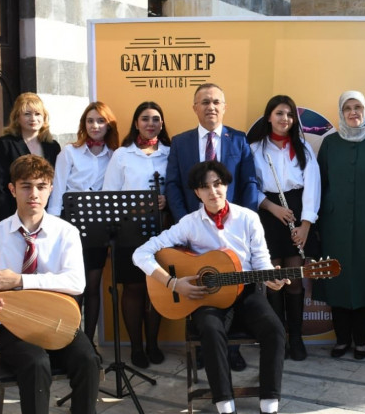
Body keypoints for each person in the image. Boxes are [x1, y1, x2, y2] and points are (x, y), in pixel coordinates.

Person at [133, 160, 287, 414]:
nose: (213, 191)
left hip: (247, 291)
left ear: (226, 185)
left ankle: (269, 404)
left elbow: (261, 262)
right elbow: (141, 253)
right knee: (210, 330)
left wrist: (274, 280)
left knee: (275, 330)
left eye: (218, 184)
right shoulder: (190, 223)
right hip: (206, 297)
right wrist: (172, 283)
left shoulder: (248, 218)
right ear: (197, 192)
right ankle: (225, 404)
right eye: (205, 187)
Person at [0, 154, 100, 414]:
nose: (34, 193)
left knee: (88, 359)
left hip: (59, 321)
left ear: (51, 189)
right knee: (36, 362)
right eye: (26, 186)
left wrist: (21, 280)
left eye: (41, 187)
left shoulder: (66, 232)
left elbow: (76, 282)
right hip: (12, 325)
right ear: (12, 189)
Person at [165, 82, 258, 370]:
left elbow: (249, 183)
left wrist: (241, 221)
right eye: (204, 102)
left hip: (232, 232)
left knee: (233, 288)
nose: (211, 107)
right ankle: (204, 348)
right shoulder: (180, 143)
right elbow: (172, 185)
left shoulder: (239, 140)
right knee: (200, 286)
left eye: (216, 101)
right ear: (195, 108)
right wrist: (186, 222)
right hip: (194, 233)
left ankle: (232, 349)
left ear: (225, 107)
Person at [314, 90, 365, 360]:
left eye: (358, 106)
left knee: (364, 280)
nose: (353, 112)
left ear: (364, 110)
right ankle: (342, 340)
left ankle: (362, 341)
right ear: (341, 111)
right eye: (347, 107)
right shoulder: (330, 144)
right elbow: (319, 186)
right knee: (336, 279)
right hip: (333, 225)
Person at [247, 95, 320, 361]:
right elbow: (249, 186)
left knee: (294, 280)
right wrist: (270, 206)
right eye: (279, 113)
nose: (284, 119)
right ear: (268, 116)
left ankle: (297, 338)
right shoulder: (255, 148)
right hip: (268, 213)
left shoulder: (303, 148)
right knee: (274, 279)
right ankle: (277, 338)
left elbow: (313, 186)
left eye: (289, 115)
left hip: (297, 213)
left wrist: (305, 225)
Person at [102, 101, 171, 368]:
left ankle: (153, 343)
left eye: (156, 119)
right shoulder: (122, 155)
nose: (150, 123)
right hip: (128, 231)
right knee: (133, 288)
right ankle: (136, 347)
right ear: (136, 123)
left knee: (157, 287)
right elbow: (110, 195)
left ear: (162, 124)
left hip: (162, 230)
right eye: (145, 118)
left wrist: (167, 201)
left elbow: (177, 188)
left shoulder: (169, 153)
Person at [47, 101, 120, 347]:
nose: (95, 125)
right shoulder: (70, 152)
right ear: (83, 125)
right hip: (71, 225)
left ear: (108, 125)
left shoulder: (115, 155)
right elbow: (57, 190)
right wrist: (53, 226)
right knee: (72, 287)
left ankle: (88, 345)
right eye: (90, 121)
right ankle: (70, 343)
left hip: (99, 226)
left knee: (93, 285)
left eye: (100, 120)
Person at [0, 92, 61, 225]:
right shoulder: (5, 144)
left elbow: (57, 182)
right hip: (13, 214)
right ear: (17, 117)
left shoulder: (53, 146)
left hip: (45, 214)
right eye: (27, 114)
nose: (33, 119)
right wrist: (3, 220)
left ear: (44, 117)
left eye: (37, 114)